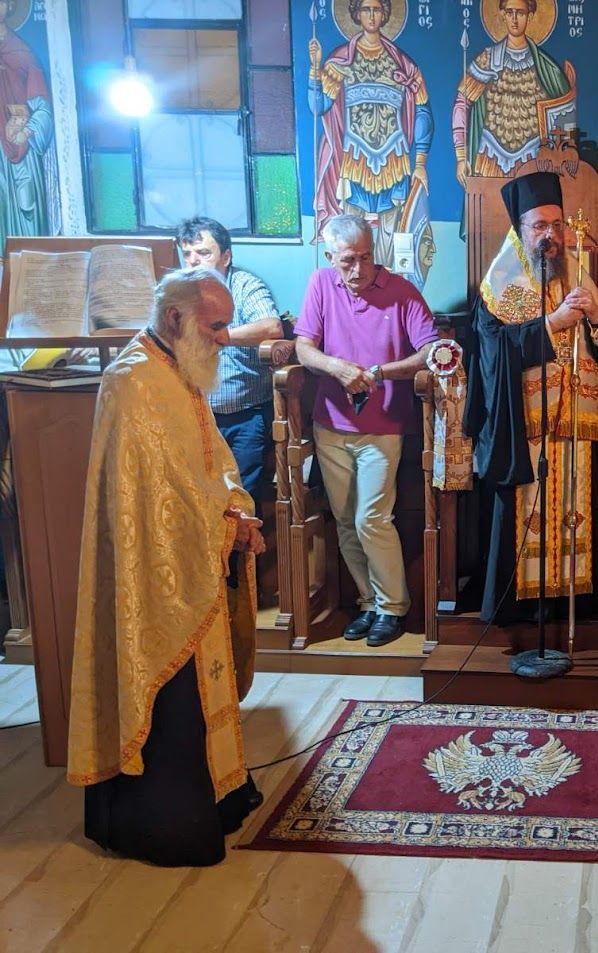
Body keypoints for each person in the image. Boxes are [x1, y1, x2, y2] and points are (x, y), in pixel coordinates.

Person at [67, 269, 266, 867]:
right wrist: (226, 525)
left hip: (194, 559)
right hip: (156, 579)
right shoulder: (132, 383)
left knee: (204, 697)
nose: (226, 338)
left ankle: (220, 799)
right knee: (173, 708)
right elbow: (157, 502)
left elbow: (210, 463)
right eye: (216, 326)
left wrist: (235, 508)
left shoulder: (180, 370)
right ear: (176, 318)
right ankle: (169, 826)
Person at [462, 171, 598, 623]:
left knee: (579, 512)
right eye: (539, 226)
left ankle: (575, 605)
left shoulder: (578, 273)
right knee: (522, 518)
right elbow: (492, 353)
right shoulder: (500, 284)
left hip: (579, 429)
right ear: (521, 230)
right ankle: (521, 612)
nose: (550, 235)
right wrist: (551, 324)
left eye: (556, 224)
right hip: (524, 427)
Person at [294, 214, 437, 646]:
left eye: (365, 258)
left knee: (371, 518)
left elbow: (432, 350)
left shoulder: (401, 290)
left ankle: (393, 606)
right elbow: (304, 347)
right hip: (331, 423)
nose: (358, 269)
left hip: (383, 426)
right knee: (344, 521)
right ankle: (369, 602)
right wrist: (336, 368)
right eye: (347, 261)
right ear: (330, 257)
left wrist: (379, 372)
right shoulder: (321, 284)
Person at [309, 0, 434, 265]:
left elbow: (422, 110)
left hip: (394, 157)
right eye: (366, 9)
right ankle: (353, 284)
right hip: (355, 156)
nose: (372, 15)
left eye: (377, 9)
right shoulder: (340, 61)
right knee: (351, 229)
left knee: (391, 226)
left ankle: (387, 281)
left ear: (386, 14)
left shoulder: (403, 64)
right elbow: (319, 107)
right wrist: (315, 69)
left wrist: (421, 162)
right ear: (356, 14)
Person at [176, 216, 285, 515]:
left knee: (239, 500)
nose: (193, 261)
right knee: (195, 499)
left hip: (245, 413)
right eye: (187, 254)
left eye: (203, 253)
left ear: (226, 257)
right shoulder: (179, 294)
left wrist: (218, 336)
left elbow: (272, 326)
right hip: (196, 414)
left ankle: (243, 547)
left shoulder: (244, 285)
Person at [452, 0, 576, 184]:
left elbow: (563, 112)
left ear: (530, 16)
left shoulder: (545, 67)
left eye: (521, 13)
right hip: (490, 155)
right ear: (503, 15)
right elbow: (462, 104)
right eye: (510, 12)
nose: (515, 19)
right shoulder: (487, 60)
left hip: (532, 157)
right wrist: (461, 156)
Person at [0, 0, 57, 252]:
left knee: (26, 206)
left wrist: (26, 131)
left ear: (11, 6)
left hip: (20, 148)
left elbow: (43, 107)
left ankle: (27, 266)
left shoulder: (23, 53)